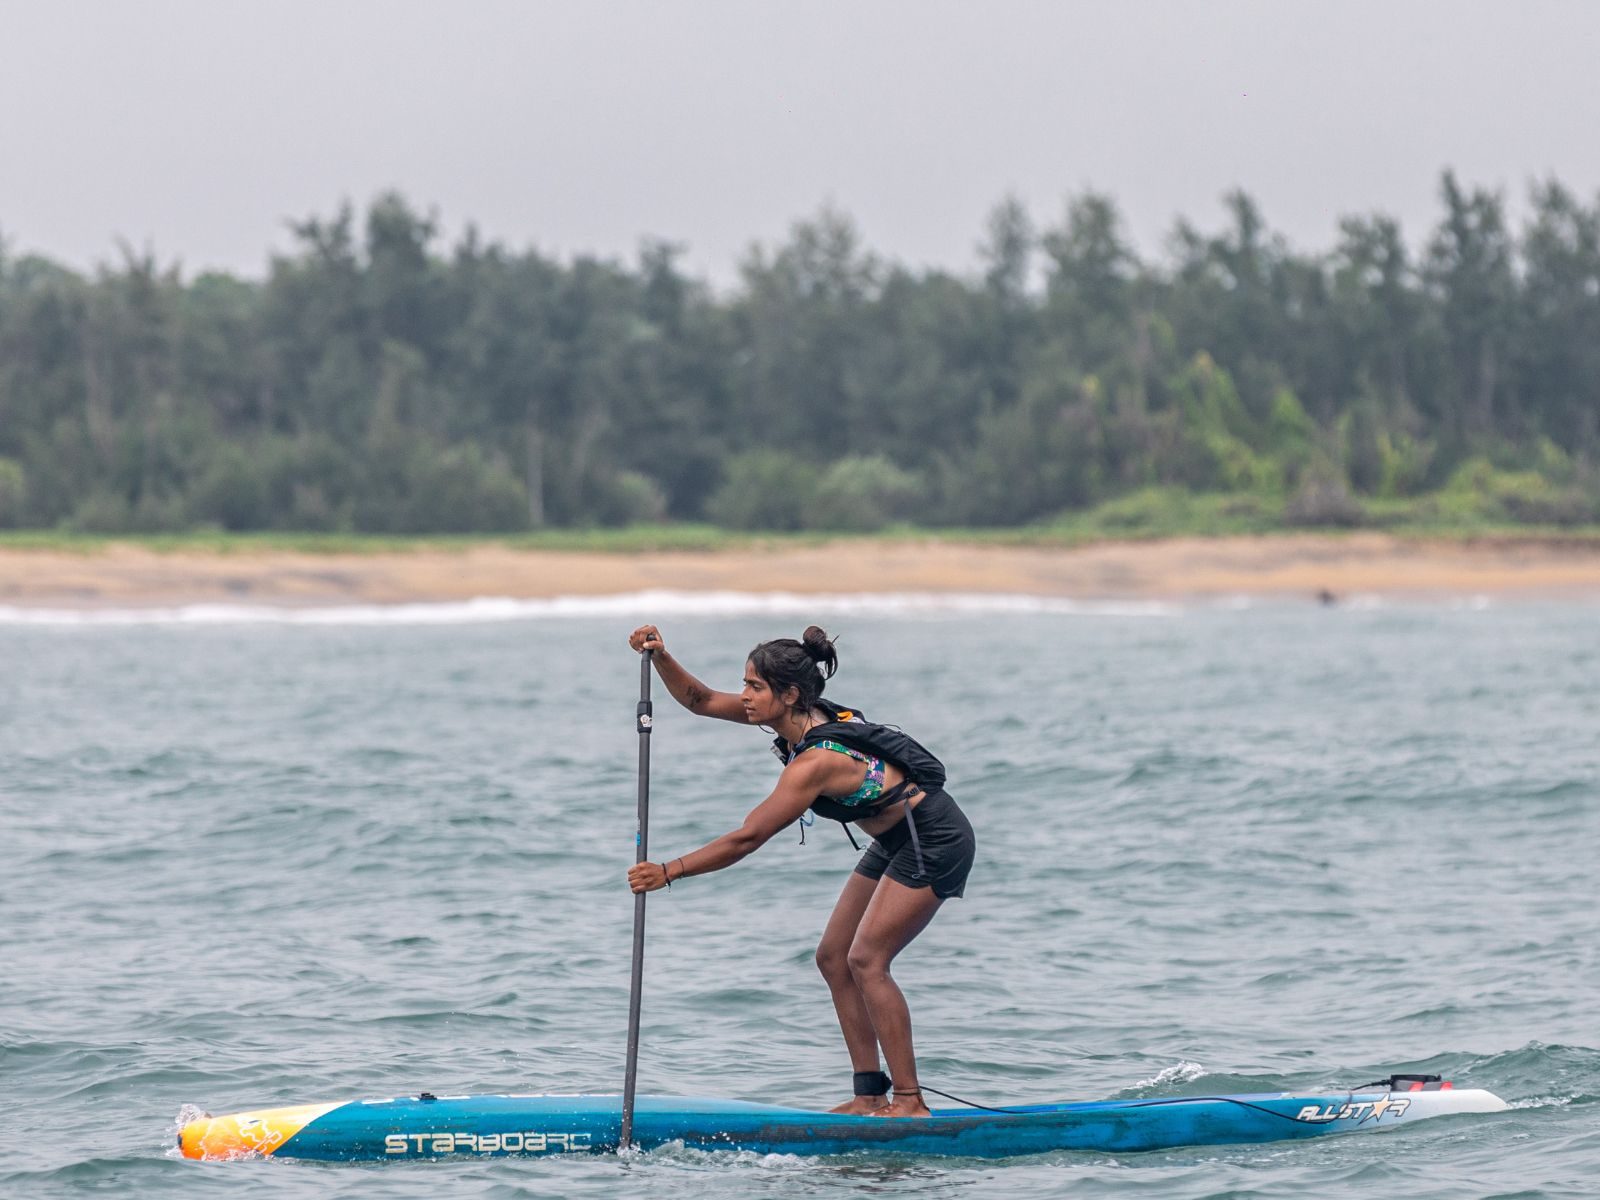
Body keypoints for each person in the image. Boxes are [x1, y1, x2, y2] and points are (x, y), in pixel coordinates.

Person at [625, 623, 976, 1118]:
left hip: (935, 838)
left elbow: (748, 837)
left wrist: (669, 871)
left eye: (754, 687)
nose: (745, 696)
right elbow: (701, 700)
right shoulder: (798, 717)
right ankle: (869, 1095)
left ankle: (910, 1102)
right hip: (896, 839)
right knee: (833, 958)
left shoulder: (815, 762)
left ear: (789, 694)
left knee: (867, 961)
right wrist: (660, 656)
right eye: (745, 684)